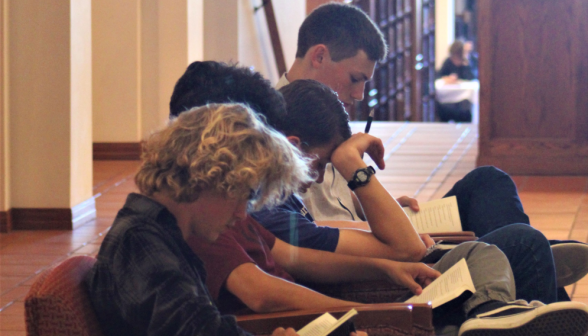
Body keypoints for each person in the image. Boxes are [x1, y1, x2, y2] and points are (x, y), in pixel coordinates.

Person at [167, 77, 588, 336]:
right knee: (519, 247)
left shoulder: (243, 212)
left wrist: (383, 266)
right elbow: (265, 293)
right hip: (355, 309)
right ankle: (509, 303)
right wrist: (371, 307)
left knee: (492, 201)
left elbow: (298, 253)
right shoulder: (230, 218)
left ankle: (510, 306)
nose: (359, 94)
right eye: (356, 80)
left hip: (367, 291)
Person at [279, 2, 588, 296]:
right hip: (373, 256)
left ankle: (533, 269)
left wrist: (375, 203)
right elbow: (306, 228)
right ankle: (534, 267)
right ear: (319, 56)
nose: (359, 94)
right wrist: (370, 206)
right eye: (355, 78)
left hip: (375, 230)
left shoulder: (323, 111)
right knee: (525, 244)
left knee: (488, 182)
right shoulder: (280, 126)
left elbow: (331, 204)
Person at [85, 104, 313, 336]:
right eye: (243, 194)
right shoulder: (138, 241)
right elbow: (198, 331)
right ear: (208, 176)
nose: (241, 213)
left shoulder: (164, 234)